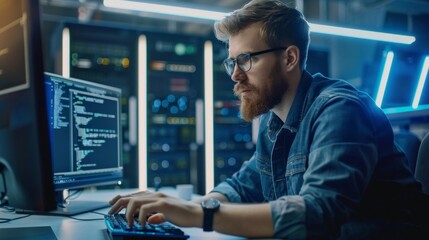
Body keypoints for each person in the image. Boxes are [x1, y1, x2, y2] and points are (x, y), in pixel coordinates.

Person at [108, 0, 429, 239]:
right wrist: (189, 205)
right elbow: (243, 186)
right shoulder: (275, 120)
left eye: (245, 60)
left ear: (290, 57)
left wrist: (199, 214)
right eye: (232, 62)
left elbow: (320, 211)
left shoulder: (340, 109)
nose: (235, 75)